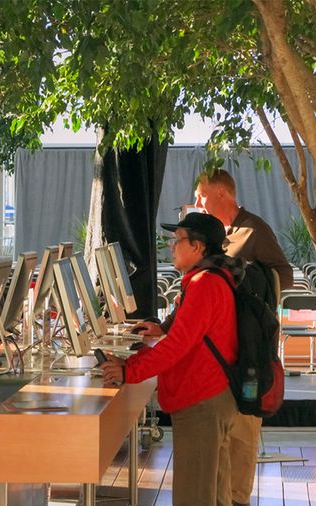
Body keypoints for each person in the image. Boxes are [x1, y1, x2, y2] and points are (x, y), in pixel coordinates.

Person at [103, 213, 241, 506]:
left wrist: (129, 371)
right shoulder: (209, 279)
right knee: (214, 494)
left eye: (177, 240)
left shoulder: (205, 284)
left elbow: (178, 346)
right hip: (212, 396)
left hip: (202, 400)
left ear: (198, 247)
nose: (171, 247)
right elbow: (188, 336)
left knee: (195, 496)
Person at [192, 169, 293, 506]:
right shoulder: (215, 233)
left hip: (251, 349)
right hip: (222, 348)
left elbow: (284, 274)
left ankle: (238, 499)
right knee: (224, 429)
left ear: (222, 193)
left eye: (202, 195)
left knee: (246, 427)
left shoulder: (254, 229)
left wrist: (250, 290)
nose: (198, 203)